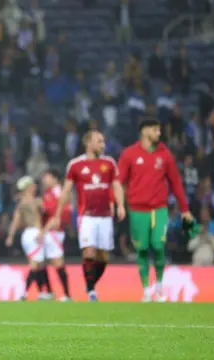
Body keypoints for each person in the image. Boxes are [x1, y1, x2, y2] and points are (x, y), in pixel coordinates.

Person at [117, 118, 193, 302]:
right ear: (144, 131)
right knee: (142, 249)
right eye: (155, 130)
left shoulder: (165, 155)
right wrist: (119, 204)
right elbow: (119, 182)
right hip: (137, 210)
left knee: (158, 246)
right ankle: (145, 290)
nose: (159, 133)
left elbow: (176, 183)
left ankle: (158, 287)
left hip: (159, 209)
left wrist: (185, 209)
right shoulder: (129, 154)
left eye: (159, 130)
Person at [45, 131, 125, 301]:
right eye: (99, 141)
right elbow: (66, 191)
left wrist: (121, 205)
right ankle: (91, 291)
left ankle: (90, 282)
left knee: (103, 256)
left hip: (105, 215)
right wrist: (58, 215)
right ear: (88, 143)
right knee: (89, 252)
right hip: (86, 215)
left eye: (103, 141)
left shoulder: (109, 163)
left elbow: (117, 185)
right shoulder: (75, 165)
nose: (103, 144)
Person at [6, 176, 49, 301]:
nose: (35, 187)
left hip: (27, 234)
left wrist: (10, 236)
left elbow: (15, 221)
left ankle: (42, 292)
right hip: (35, 233)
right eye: (33, 185)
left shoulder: (21, 203)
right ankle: (24, 292)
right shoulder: (35, 201)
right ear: (29, 187)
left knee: (39, 264)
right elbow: (43, 214)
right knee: (35, 265)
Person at [37, 169, 72, 302]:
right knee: (42, 262)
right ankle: (49, 292)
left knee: (57, 261)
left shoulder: (58, 193)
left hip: (54, 232)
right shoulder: (47, 193)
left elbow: (56, 216)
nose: (44, 180)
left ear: (55, 179)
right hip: (48, 231)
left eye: (47, 177)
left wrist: (43, 231)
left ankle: (67, 295)